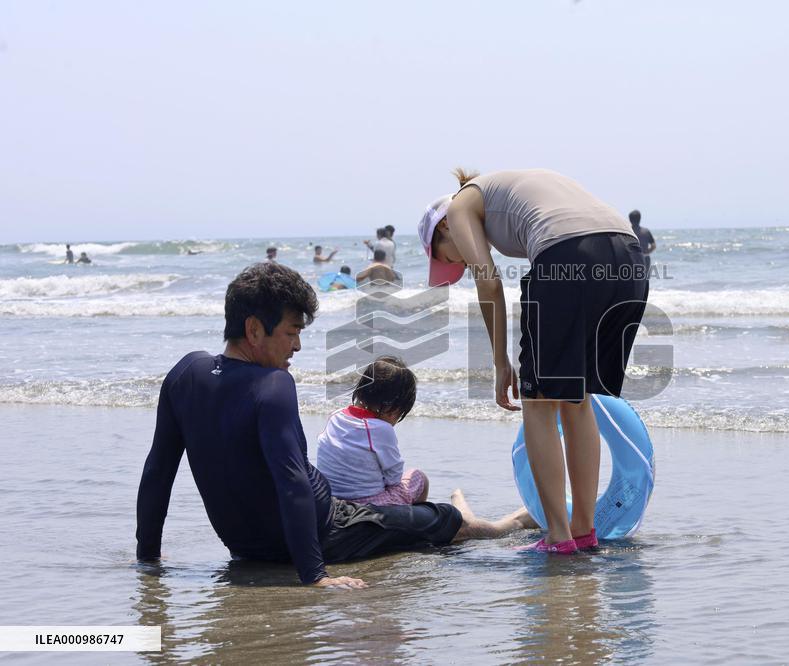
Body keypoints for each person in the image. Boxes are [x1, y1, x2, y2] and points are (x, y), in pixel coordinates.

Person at [136, 262, 534, 588]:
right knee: (440, 519)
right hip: (329, 529)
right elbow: (291, 481)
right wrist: (315, 577)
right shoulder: (272, 386)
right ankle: (501, 525)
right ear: (254, 329)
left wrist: (148, 556)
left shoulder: (185, 373)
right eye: (291, 333)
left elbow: (158, 472)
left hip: (248, 546)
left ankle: (437, 510)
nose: (297, 346)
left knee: (411, 513)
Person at [419, 168, 648, 554]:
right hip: (628, 259)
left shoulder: (459, 208)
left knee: (539, 403)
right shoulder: (504, 189)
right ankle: (583, 532)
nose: (454, 264)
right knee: (578, 399)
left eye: (445, 257)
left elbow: (488, 283)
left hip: (569, 253)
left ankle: (559, 538)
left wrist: (500, 364)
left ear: (443, 229)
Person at [318, 357, 428, 506]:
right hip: (368, 504)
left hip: (330, 497)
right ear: (394, 409)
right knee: (419, 477)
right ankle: (414, 522)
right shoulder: (381, 429)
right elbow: (394, 477)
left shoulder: (336, 416)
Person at [629, 210, 656, 274]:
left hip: (631, 259)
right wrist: (646, 253)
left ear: (630, 220)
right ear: (640, 219)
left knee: (632, 280)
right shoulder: (646, 231)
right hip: (645, 258)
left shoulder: (628, 231)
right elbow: (653, 246)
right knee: (645, 280)